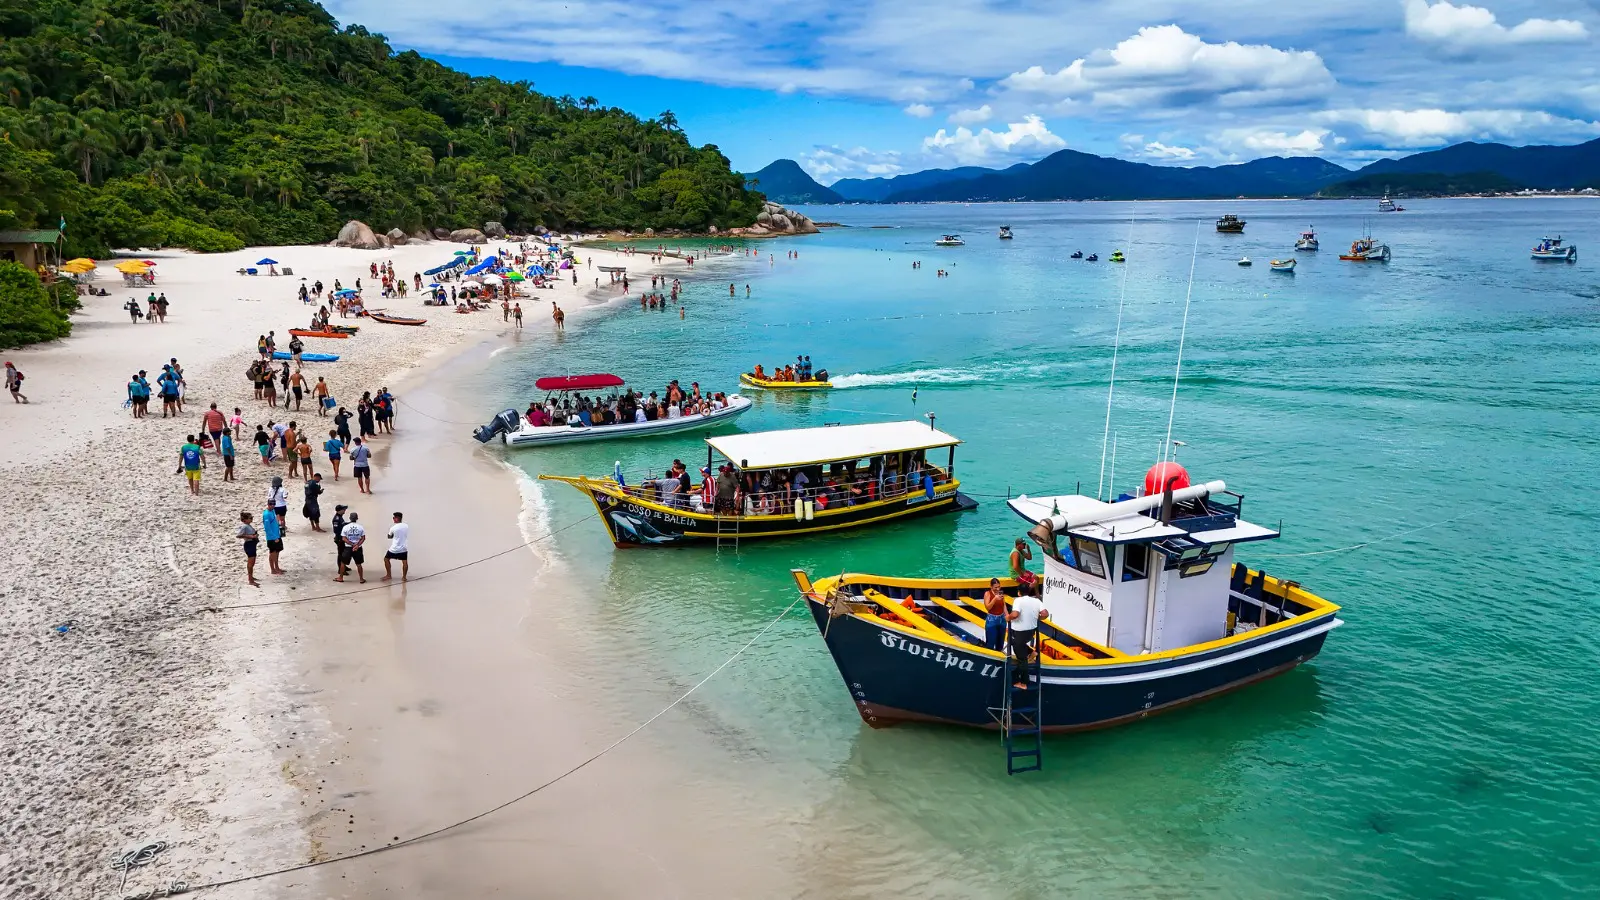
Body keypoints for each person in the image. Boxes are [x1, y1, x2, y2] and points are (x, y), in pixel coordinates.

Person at [1006, 592, 1049, 690]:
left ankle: (1024, 683)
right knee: (1012, 640)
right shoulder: (1036, 601)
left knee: (1022, 659)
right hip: (1030, 633)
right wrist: (1036, 618)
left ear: (1018, 592)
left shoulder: (1018, 600)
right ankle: (1031, 652)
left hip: (1019, 633)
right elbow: (1045, 614)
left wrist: (1008, 617)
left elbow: (1015, 614)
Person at [336, 512, 366, 583]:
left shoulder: (345, 527)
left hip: (348, 548)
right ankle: (361, 579)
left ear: (350, 518)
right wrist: (357, 545)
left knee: (343, 563)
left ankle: (341, 577)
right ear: (357, 518)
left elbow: (344, 538)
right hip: (358, 548)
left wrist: (352, 544)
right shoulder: (360, 527)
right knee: (359, 564)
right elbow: (363, 538)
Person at [261, 500, 285, 575]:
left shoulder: (273, 511)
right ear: (268, 504)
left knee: (277, 552)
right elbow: (267, 528)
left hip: (277, 535)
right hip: (272, 538)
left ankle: (277, 567)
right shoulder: (266, 514)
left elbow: (275, 521)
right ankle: (273, 569)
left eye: (274, 504)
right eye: (271, 504)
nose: (272, 505)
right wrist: (274, 537)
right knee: (272, 553)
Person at [383, 511, 408, 581]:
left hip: (394, 548)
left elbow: (389, 536)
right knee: (404, 562)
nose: (393, 519)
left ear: (397, 518)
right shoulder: (406, 526)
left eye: (394, 518)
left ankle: (388, 575)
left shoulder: (393, 528)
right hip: (403, 548)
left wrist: (392, 535)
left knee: (386, 559)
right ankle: (404, 577)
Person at [984, 578, 1008, 651]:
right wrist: (995, 599)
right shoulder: (988, 593)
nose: (998, 589)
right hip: (992, 619)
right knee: (991, 641)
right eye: (995, 587)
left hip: (1002, 619)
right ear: (991, 587)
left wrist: (1007, 615)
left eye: (999, 587)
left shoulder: (1000, 592)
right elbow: (987, 607)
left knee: (1000, 641)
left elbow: (1003, 605)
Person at [237, 512, 261, 587]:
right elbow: (238, 535)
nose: (252, 519)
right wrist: (251, 536)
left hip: (252, 544)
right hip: (249, 544)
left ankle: (251, 577)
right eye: (250, 518)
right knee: (250, 563)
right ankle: (250, 580)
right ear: (245, 520)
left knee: (252, 562)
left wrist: (254, 535)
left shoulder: (248, 525)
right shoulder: (244, 526)